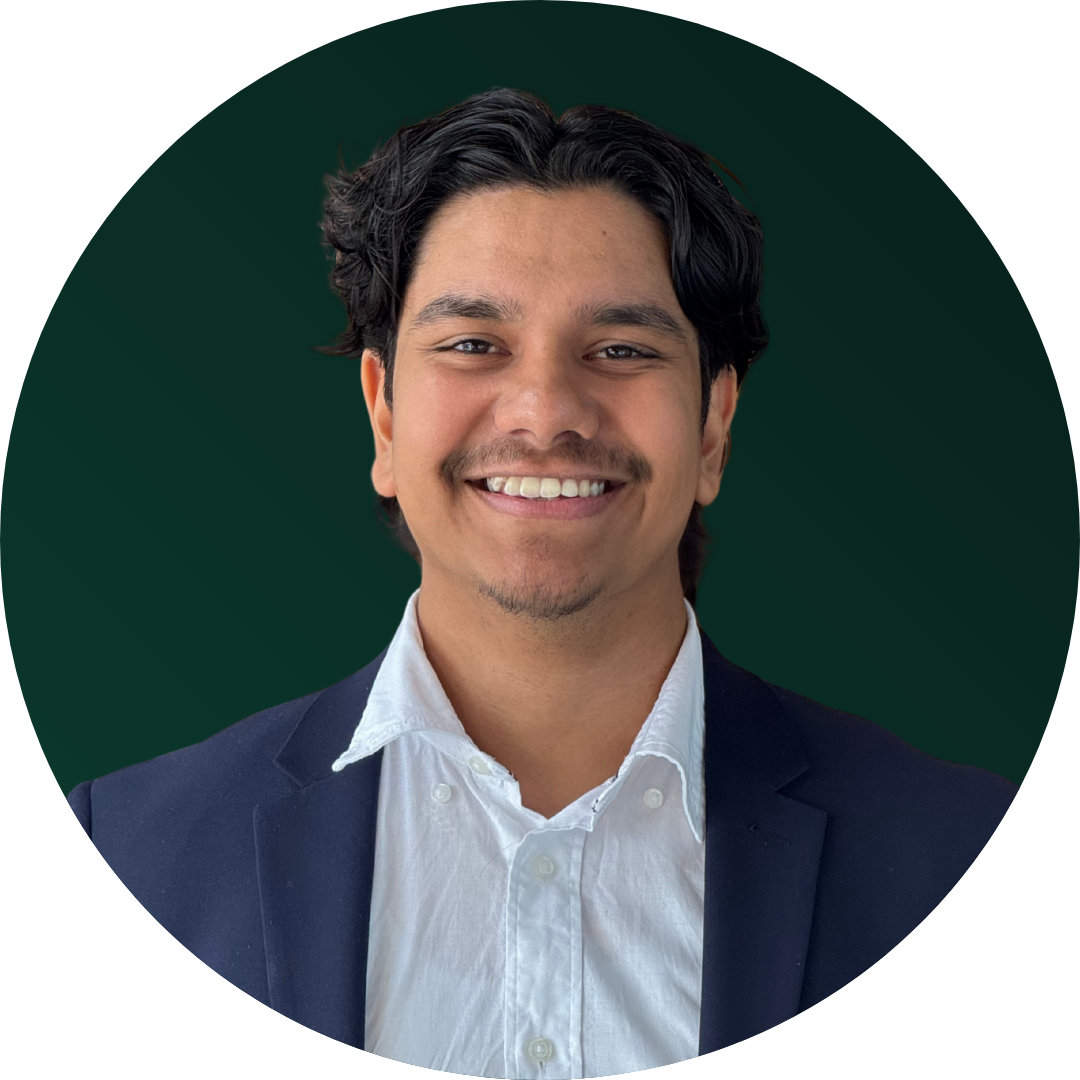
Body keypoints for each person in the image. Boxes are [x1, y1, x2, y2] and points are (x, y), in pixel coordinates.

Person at [67, 89, 1015, 1077]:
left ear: (713, 427)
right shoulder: (122, 862)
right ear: (383, 415)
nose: (545, 411)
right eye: (474, 345)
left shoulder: (970, 865)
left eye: (621, 350)